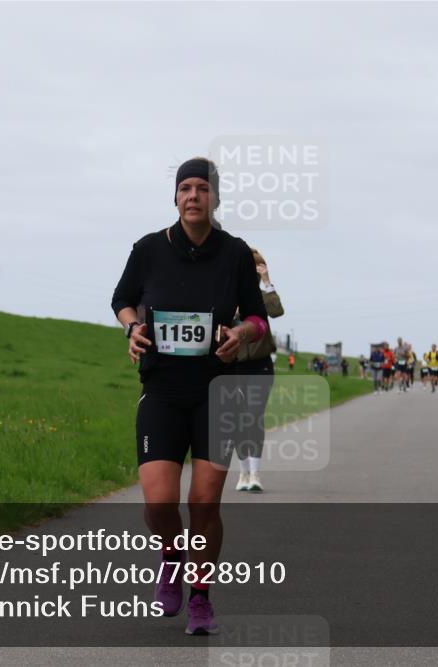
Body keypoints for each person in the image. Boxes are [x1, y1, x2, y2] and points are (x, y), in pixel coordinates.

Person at [111, 157, 269, 636]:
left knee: (204, 505)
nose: (193, 195)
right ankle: (171, 555)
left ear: (215, 198)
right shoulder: (148, 249)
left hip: (217, 393)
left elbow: (259, 319)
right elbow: (121, 300)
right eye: (186, 188)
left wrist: (241, 334)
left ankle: (200, 597)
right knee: (160, 505)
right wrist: (133, 328)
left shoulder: (235, 253)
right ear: (175, 197)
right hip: (162, 390)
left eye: (203, 187)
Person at [234, 248, 284, 494]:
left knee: (254, 417)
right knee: (236, 420)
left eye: (256, 269)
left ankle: (255, 473)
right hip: (234, 366)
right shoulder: (229, 295)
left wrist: (267, 281)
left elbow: (276, 311)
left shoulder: (262, 297)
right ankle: (243, 471)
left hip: (260, 365)